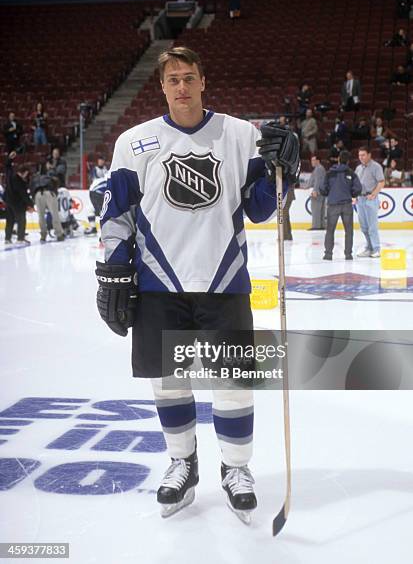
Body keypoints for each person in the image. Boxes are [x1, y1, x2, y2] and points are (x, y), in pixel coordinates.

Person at [95, 46, 299, 522]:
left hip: (224, 280)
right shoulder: (135, 141)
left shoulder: (240, 134)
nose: (182, 87)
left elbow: (260, 208)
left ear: (203, 81)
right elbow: (117, 214)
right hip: (157, 284)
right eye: (173, 80)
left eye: (189, 77)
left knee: (231, 384)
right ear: (162, 87)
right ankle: (182, 463)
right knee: (170, 384)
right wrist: (114, 268)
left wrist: (280, 172)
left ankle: (236, 469)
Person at [320, 151, 362, 261]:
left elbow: (322, 188)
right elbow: (358, 188)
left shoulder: (330, 173)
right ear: (348, 161)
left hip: (333, 205)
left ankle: (328, 254)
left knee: (330, 230)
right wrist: (351, 193)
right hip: (347, 205)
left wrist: (330, 192)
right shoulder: (351, 173)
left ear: (338, 159)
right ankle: (348, 254)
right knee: (349, 231)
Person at [355, 147, 385, 258]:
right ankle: (369, 247)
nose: (361, 157)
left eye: (363, 155)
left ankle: (376, 248)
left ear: (369, 155)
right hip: (360, 199)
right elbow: (356, 183)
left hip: (370, 199)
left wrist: (374, 194)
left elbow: (381, 182)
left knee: (372, 226)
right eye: (359, 155)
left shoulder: (376, 167)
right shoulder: (358, 168)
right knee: (364, 227)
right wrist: (355, 195)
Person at [4, 152, 34, 245]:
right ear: (24, 172)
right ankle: (20, 238)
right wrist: (31, 204)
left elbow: (7, 167)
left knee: (10, 220)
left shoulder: (11, 175)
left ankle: (7, 238)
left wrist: (9, 159)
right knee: (21, 219)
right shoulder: (19, 181)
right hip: (17, 203)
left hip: (8, 201)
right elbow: (24, 195)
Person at [30, 166, 65, 242]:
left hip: (38, 194)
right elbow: (56, 184)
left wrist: (33, 200)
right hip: (49, 193)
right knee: (54, 214)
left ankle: (43, 235)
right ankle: (59, 234)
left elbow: (31, 189)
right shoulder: (50, 177)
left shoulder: (34, 179)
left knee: (41, 216)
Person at [305, 155, 326, 230]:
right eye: (311, 160)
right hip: (321, 192)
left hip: (317, 192)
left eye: (313, 160)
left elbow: (318, 181)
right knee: (320, 209)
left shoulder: (319, 169)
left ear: (318, 161)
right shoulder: (319, 168)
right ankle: (321, 225)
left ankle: (316, 226)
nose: (312, 162)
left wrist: (315, 191)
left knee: (316, 209)